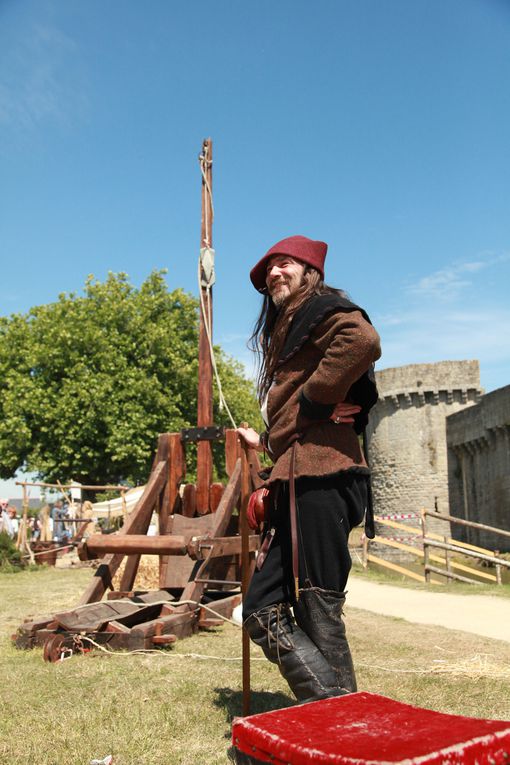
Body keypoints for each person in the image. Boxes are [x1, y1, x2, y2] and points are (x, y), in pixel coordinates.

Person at [237, 234, 381, 704]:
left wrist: (314, 402)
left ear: (309, 270)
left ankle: (337, 716)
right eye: (269, 269)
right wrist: (268, 438)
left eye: (285, 264)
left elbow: (361, 339)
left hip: (322, 475)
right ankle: (338, 712)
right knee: (267, 607)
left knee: (316, 603)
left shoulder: (321, 307)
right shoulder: (295, 322)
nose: (275, 273)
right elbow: (295, 418)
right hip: (299, 471)